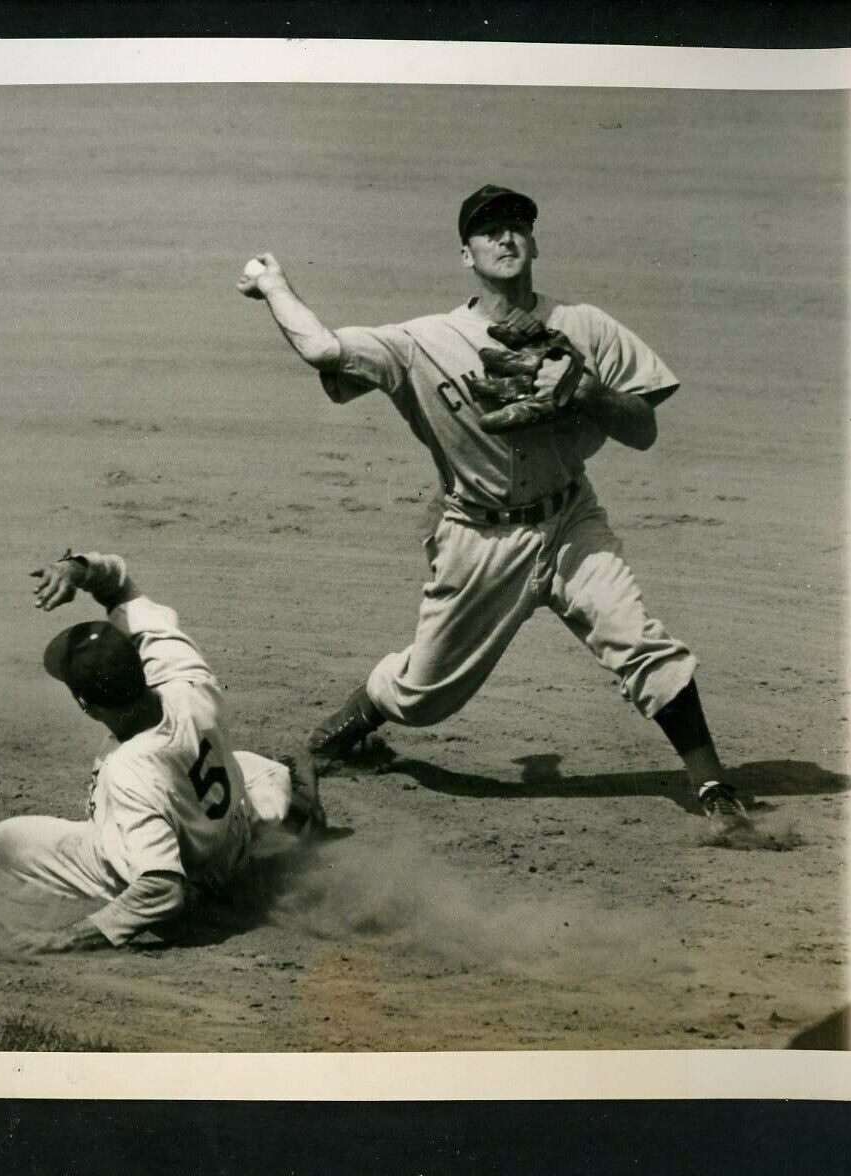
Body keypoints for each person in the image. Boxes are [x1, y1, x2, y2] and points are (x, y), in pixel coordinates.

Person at [236, 183, 752, 837]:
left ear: (531, 241)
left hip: (570, 523)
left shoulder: (585, 326)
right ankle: (346, 726)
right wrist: (273, 285)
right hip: (476, 541)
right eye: (488, 231)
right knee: (421, 696)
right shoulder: (422, 341)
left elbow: (642, 428)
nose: (505, 237)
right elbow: (322, 351)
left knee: (640, 643)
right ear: (465, 254)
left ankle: (713, 788)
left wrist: (586, 390)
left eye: (516, 226)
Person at [0, 549, 323, 953]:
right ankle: (286, 818)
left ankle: (210, 893)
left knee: (4, 842)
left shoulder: (130, 772)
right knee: (266, 769)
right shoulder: (184, 676)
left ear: (85, 705)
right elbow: (121, 588)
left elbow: (162, 888)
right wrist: (74, 569)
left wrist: (64, 937)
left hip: (193, 872)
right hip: (236, 829)